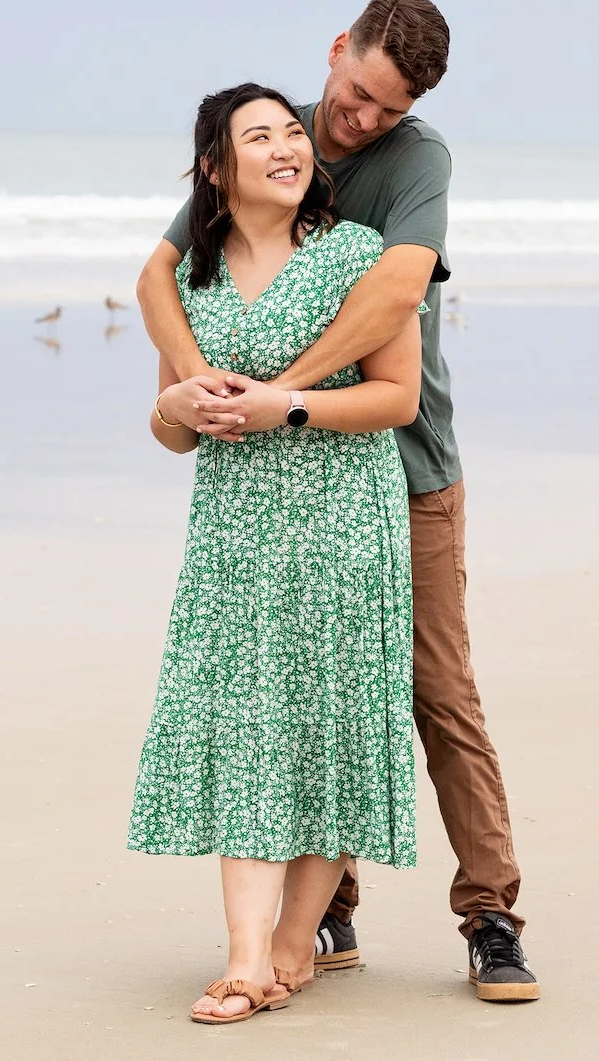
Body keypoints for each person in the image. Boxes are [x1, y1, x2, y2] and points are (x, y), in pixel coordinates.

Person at [135, 0, 539, 1003]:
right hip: (274, 478)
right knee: (297, 687)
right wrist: (199, 386)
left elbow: (397, 292)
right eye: (354, 96)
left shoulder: (413, 162)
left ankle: (488, 912)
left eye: (384, 110)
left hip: (405, 470)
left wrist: (287, 394)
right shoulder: (265, 139)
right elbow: (158, 274)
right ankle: (321, 918)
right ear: (335, 54)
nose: (359, 122)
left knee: (430, 689)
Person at [129, 83, 421, 1025]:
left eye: (294, 131)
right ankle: (246, 956)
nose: (289, 147)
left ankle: (293, 945)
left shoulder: (354, 257)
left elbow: (396, 399)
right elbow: (176, 430)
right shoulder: (191, 283)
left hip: (343, 518)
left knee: (331, 719)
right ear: (218, 167)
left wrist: (285, 404)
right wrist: (176, 407)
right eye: (261, 137)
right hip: (236, 531)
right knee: (250, 722)